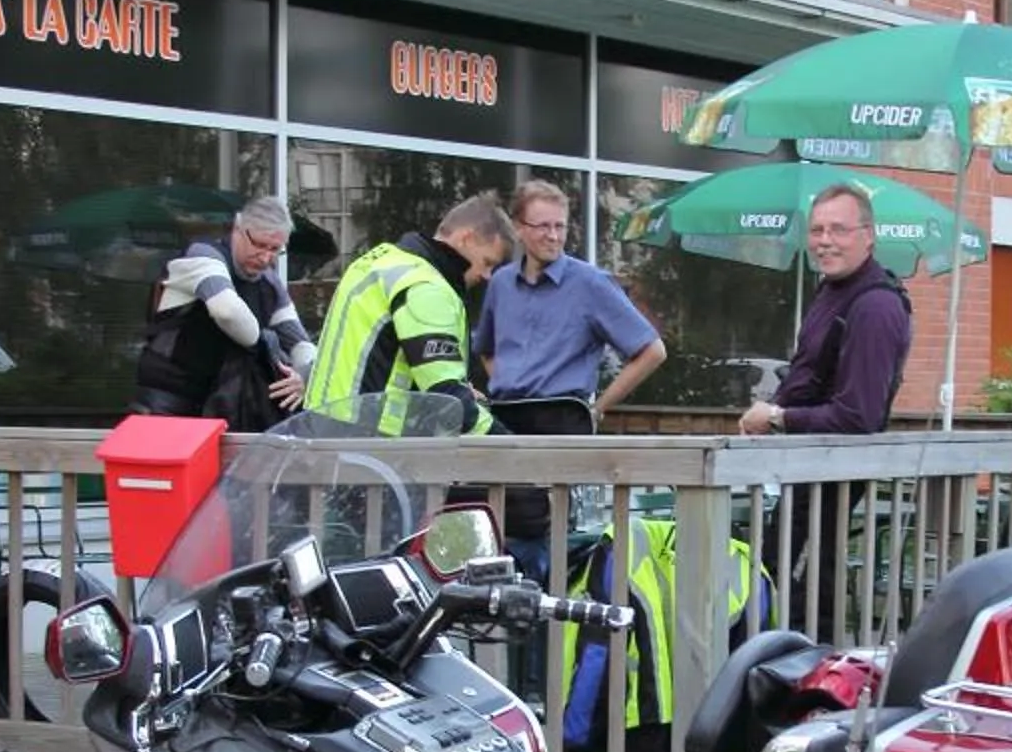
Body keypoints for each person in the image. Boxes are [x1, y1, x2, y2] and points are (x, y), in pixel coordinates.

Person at [739, 180, 913, 639]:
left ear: (868, 235)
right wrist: (776, 408)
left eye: (838, 229)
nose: (824, 241)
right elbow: (812, 380)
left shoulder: (875, 306)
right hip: (803, 475)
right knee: (777, 586)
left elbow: (859, 417)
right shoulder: (831, 291)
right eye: (816, 230)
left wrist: (777, 417)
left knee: (804, 604)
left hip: (831, 481)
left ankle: (811, 704)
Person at [473, 177, 668, 585]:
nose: (554, 235)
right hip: (505, 431)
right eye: (543, 226)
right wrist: (506, 384)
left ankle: (548, 647)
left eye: (560, 226)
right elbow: (485, 349)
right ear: (520, 228)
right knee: (493, 554)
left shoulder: (590, 284)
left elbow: (652, 351)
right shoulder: (501, 285)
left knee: (546, 563)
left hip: (560, 432)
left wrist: (598, 408)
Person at [304, 194, 512, 436]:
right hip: (371, 445)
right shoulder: (426, 286)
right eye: (487, 262)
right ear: (466, 238)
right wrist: (508, 447)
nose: (487, 276)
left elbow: (387, 357)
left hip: (324, 432)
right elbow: (448, 399)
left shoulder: (380, 262)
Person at [127, 195, 315, 430]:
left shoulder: (269, 284)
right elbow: (226, 311)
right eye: (259, 244)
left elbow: (301, 344)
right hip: (165, 406)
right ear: (238, 228)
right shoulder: (201, 257)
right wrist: (264, 345)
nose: (266, 257)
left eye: (275, 249)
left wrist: (303, 378)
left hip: (220, 410)